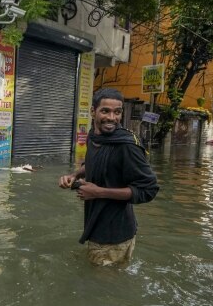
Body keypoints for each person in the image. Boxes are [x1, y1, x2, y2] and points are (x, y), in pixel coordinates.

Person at [59, 88, 159, 266]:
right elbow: (92, 162)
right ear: (93, 112)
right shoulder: (95, 137)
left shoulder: (127, 146)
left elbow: (149, 189)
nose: (112, 118)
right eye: (105, 111)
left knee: (102, 290)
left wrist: (98, 192)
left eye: (117, 112)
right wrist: (74, 175)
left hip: (113, 236)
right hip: (98, 227)